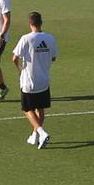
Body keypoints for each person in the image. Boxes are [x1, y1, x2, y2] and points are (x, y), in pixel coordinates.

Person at [11, 12, 58, 149]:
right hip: (44, 80)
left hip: (29, 81)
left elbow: (14, 58)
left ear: (30, 24)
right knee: (40, 108)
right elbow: (53, 57)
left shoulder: (25, 38)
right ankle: (35, 136)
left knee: (27, 109)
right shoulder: (50, 38)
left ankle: (41, 133)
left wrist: (20, 70)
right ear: (41, 23)